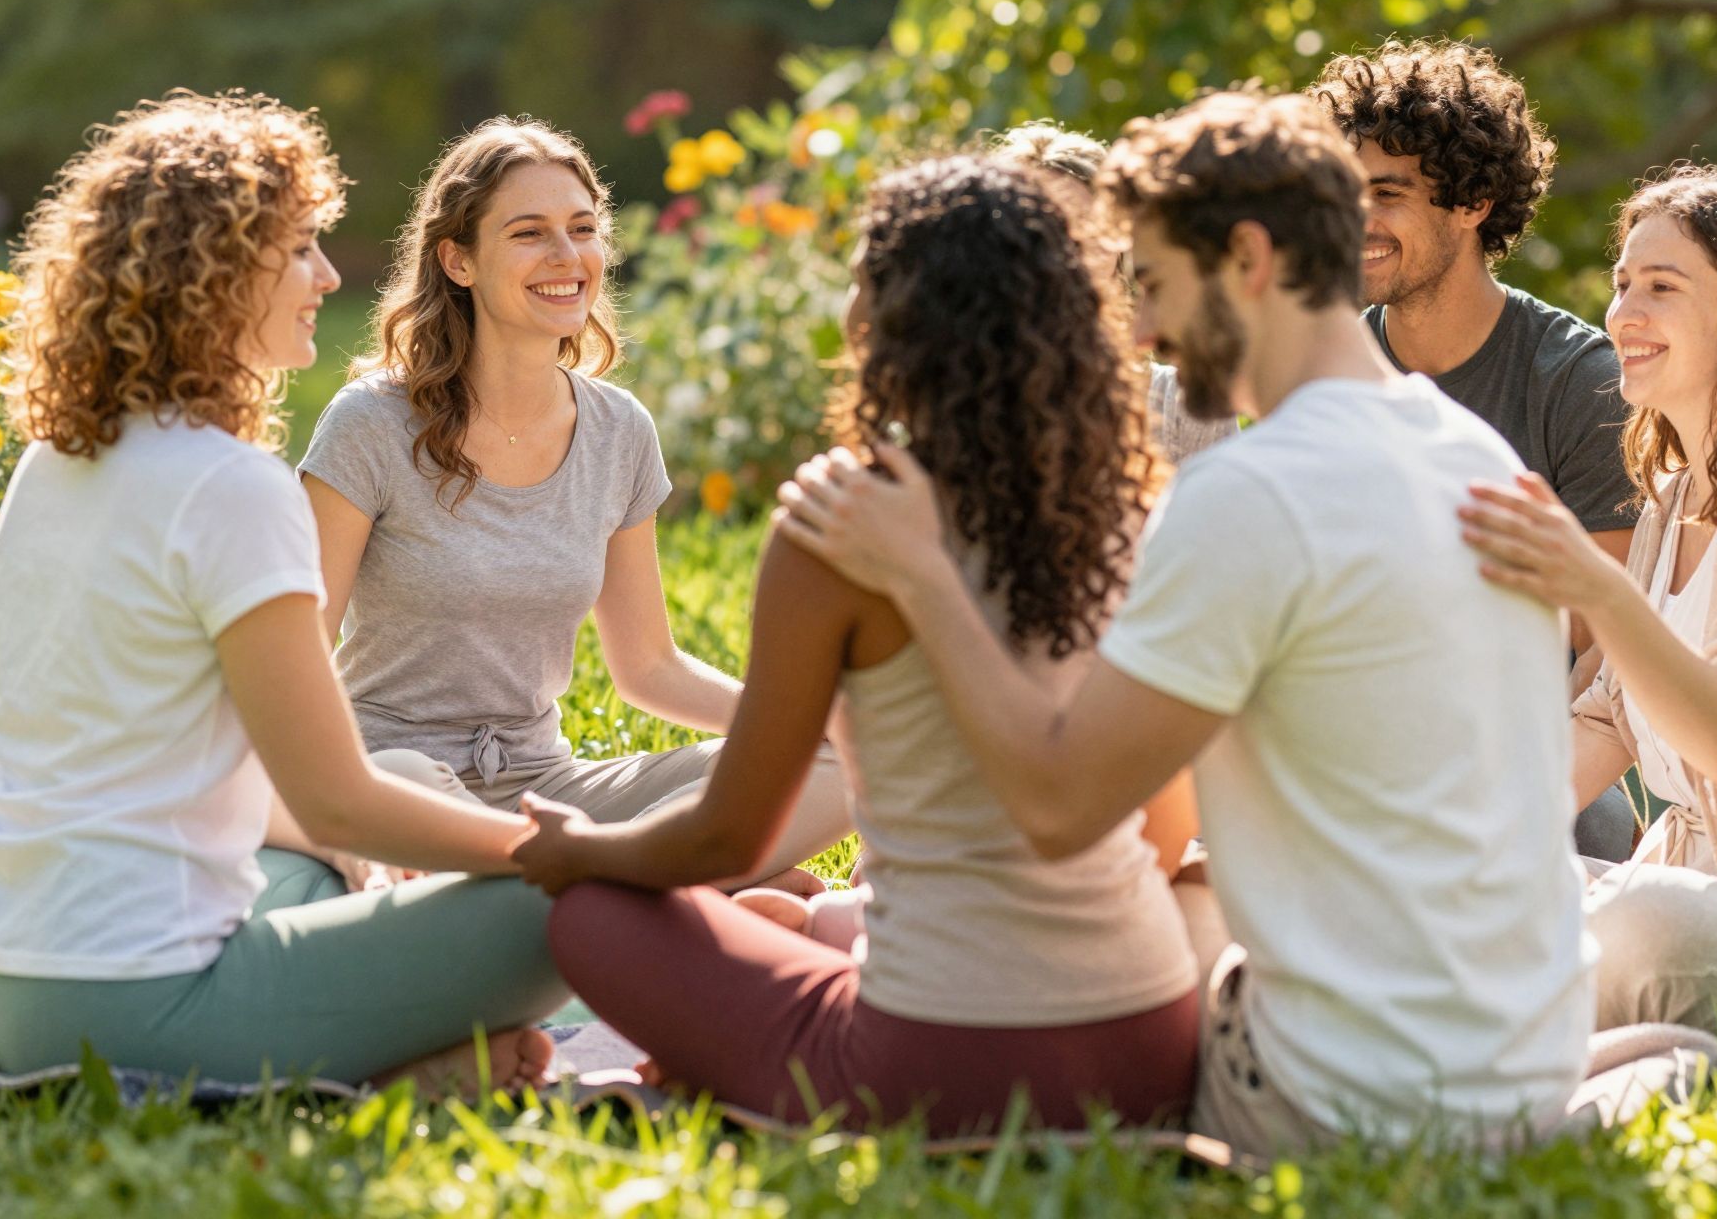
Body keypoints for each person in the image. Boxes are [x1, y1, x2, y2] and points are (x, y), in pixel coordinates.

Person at [776, 91, 1594, 1158]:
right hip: (1527, 1064)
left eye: (1153, 284)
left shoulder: (1251, 492)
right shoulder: (1465, 450)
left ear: (1247, 259)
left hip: (1348, 1103)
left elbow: (1061, 807)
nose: (1145, 331)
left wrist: (925, 576)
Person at [509, 154, 1201, 1137]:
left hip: (938, 1065)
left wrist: (582, 850)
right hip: (1148, 1048)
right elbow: (1164, 836)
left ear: (882, 321)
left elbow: (728, 839)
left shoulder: (841, 519)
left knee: (591, 913)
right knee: (820, 919)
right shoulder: (1139, 511)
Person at [0, 93, 569, 1090]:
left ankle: (401, 1058)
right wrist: (561, 854)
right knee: (565, 903)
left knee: (317, 866)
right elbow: (340, 800)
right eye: (301, 248)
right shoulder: (230, 486)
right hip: (123, 1012)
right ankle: (393, 1060)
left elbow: (270, 799)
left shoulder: (53, 465)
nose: (323, 276)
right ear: (212, 274)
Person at [295, 116, 849, 888]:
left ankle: (602, 883)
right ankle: (652, 894)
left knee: (837, 759)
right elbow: (300, 653)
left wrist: (815, 724)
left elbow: (649, 667)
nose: (567, 257)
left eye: (582, 229)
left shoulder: (619, 432)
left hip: (551, 792)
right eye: (529, 233)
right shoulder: (371, 425)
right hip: (404, 784)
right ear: (458, 260)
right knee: (411, 790)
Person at [1459, 163, 1717, 1047]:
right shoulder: (1672, 498)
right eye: (1622, 284)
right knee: (1472, 891)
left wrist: (1593, 585)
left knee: (1643, 918)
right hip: (1685, 900)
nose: (1624, 315)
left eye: (1663, 288)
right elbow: (1609, 717)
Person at [1311, 38, 1640, 860]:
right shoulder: (1324, 377)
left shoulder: (1578, 382)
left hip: (1534, 788)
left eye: (1387, 193)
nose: (1359, 221)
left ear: (1474, 200)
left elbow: (1614, 646)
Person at [994, 120, 1233, 467]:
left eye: (1087, 230)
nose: (1065, 254)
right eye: (1039, 233)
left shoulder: (1189, 409)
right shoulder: (956, 404)